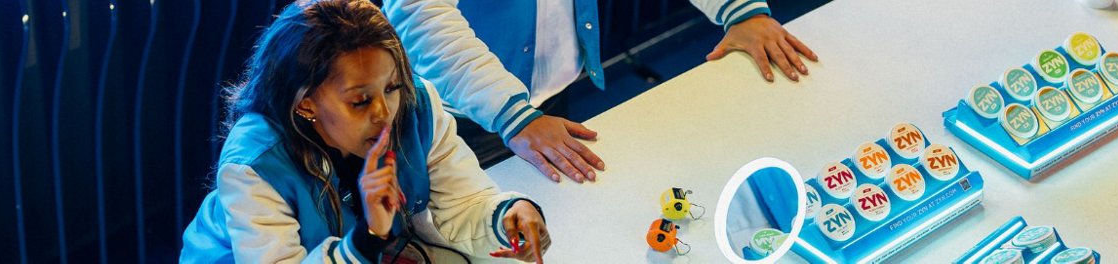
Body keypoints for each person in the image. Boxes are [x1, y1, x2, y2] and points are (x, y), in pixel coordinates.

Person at [180, 0, 548, 262]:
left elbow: (463, 202)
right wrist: (369, 236)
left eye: (392, 87)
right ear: (305, 103)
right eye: (360, 101)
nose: (385, 113)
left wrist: (507, 216)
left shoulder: (416, 104)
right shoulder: (254, 166)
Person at [383, 0, 818, 183]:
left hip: (547, 103)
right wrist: (510, 112)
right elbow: (422, 14)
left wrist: (740, 10)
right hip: (460, 115)